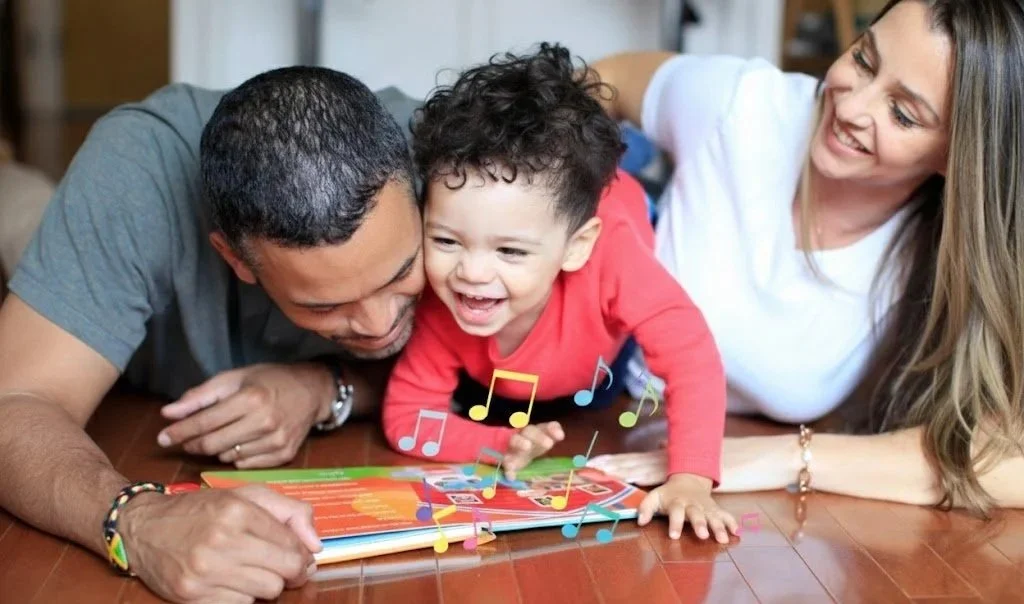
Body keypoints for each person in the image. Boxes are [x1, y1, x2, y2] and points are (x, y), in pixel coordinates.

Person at [0, 67, 425, 602]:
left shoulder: (458, 156)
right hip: (109, 298)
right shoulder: (134, 173)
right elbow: (15, 401)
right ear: (235, 258)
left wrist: (324, 388)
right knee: (20, 214)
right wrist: (138, 520)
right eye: (326, 304)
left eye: (402, 271)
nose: (380, 324)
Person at [586, 0, 1024, 514]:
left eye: (903, 113)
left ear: (958, 155)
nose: (852, 108)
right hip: (594, 407)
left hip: (724, 472)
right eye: (863, 59)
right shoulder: (740, 104)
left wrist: (788, 457)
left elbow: (1007, 459)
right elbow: (605, 78)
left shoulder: (949, 254)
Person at [381, 43, 737, 543]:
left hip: (602, 329)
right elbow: (407, 417)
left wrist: (692, 478)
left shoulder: (611, 259)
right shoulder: (443, 297)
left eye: (509, 250)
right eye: (445, 240)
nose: (471, 273)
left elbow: (691, 356)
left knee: (605, 383)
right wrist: (499, 442)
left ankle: (634, 158)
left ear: (575, 248)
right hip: (511, 380)